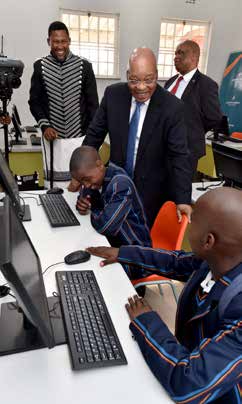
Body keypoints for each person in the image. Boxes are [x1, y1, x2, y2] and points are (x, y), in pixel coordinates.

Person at [86, 187, 242, 403]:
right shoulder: (218, 261)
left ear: (208, 241)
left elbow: (188, 385)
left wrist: (147, 322)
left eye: (193, 219)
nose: (187, 223)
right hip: (193, 358)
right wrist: (123, 253)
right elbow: (175, 262)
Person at [83, 47, 192, 228]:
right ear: (127, 75)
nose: (141, 87)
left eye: (148, 80)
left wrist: (183, 199)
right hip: (115, 189)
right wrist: (84, 176)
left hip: (152, 195)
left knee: (140, 246)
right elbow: (94, 136)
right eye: (134, 80)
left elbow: (179, 156)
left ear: (156, 75)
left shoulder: (173, 107)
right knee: (110, 238)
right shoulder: (113, 95)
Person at [29, 21, 99, 188]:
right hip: (52, 140)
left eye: (63, 41)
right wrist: (45, 126)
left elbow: (93, 105)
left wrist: (90, 139)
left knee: (80, 187)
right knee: (54, 189)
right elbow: (34, 102)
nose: (59, 46)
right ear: (49, 42)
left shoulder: (85, 66)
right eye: (55, 41)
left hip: (79, 140)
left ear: (69, 40)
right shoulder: (40, 67)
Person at [70, 145, 151, 248]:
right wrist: (82, 204)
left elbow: (106, 227)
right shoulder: (94, 180)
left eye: (87, 179)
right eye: (81, 182)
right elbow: (85, 196)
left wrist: (91, 209)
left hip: (135, 251)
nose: (86, 185)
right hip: (113, 244)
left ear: (99, 165)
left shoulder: (120, 184)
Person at [165, 40, 223, 174]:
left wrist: (192, 131)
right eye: (175, 53)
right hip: (163, 148)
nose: (176, 57)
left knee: (179, 190)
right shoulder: (171, 82)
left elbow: (214, 117)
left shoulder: (206, 85)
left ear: (194, 57)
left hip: (186, 150)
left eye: (181, 53)